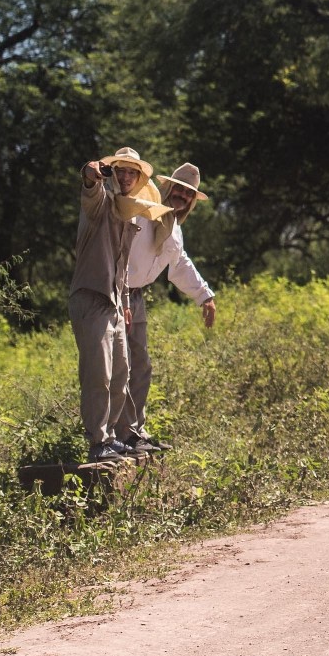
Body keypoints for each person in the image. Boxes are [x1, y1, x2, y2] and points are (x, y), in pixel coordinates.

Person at [70, 146, 170, 463]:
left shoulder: (127, 214)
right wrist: (92, 171)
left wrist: (124, 300)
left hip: (113, 302)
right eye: (121, 170)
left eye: (132, 172)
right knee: (98, 373)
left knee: (121, 374)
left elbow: (122, 267)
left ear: (139, 178)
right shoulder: (100, 202)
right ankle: (97, 441)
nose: (126, 176)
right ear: (113, 171)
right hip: (91, 296)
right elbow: (89, 182)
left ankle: (111, 437)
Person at [119, 163, 216, 453]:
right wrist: (121, 296)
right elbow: (118, 255)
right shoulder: (144, 211)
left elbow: (179, 264)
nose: (183, 197)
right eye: (180, 190)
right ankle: (114, 435)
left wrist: (205, 296)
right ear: (168, 188)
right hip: (117, 294)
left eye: (189, 194)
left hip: (136, 299)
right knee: (118, 367)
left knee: (141, 366)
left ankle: (135, 432)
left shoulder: (174, 228)